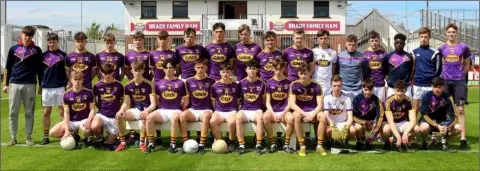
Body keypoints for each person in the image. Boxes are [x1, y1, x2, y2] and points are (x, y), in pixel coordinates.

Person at [3, 25, 43, 146]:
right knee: (13, 112)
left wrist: (40, 85)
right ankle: (13, 138)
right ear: (21, 34)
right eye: (25, 35)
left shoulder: (37, 50)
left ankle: (28, 137)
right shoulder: (13, 49)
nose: (26, 38)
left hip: (30, 84)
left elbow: (40, 70)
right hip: (14, 84)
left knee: (29, 112)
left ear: (32, 36)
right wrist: (5, 84)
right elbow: (7, 67)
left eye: (29, 36)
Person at [437, 23, 473, 149]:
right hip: (445, 81)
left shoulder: (463, 47)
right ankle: (444, 136)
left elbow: (467, 64)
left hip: (459, 81)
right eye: (449, 32)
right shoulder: (442, 48)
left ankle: (463, 138)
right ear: (445, 33)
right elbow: (442, 63)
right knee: (445, 109)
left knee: (460, 109)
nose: (451, 34)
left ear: (456, 33)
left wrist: (460, 77)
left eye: (453, 32)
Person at [146, 59, 189, 154]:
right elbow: (157, 100)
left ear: (174, 69)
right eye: (166, 68)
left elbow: (186, 100)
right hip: (163, 110)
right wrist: (161, 107)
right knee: (149, 118)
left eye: (170, 67)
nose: (168, 69)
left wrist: (181, 110)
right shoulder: (158, 83)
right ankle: (151, 144)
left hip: (176, 110)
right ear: (163, 69)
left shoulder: (181, 83)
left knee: (174, 118)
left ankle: (172, 145)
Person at [115, 61, 156, 152]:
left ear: (143, 71)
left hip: (146, 110)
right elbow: (125, 103)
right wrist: (121, 110)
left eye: (139, 70)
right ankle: (123, 143)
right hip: (135, 110)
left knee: (146, 117)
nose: (137, 72)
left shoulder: (149, 84)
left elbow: (153, 104)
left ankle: (142, 143)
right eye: (135, 70)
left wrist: (147, 111)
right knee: (119, 116)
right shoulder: (128, 85)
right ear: (131, 71)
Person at [49, 71, 94, 148]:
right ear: (71, 80)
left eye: (79, 79)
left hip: (84, 120)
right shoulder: (66, 95)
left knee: (86, 130)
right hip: (72, 121)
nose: (77, 81)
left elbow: (92, 110)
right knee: (52, 132)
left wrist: (89, 121)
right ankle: (74, 136)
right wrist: (66, 130)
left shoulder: (89, 93)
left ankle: (86, 138)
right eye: (75, 79)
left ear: (82, 80)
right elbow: (66, 113)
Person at [179, 58, 216, 154]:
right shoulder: (188, 81)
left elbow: (214, 100)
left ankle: (202, 145)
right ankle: (185, 142)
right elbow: (186, 99)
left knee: (205, 116)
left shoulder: (212, 82)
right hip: (193, 109)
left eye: (202, 67)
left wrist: (215, 111)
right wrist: (182, 109)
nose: (200, 70)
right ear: (194, 68)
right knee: (182, 116)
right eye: (198, 67)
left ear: (206, 68)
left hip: (207, 109)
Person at [417, 77, 461, 151]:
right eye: (435, 87)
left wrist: (447, 127)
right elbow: (424, 115)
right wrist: (437, 126)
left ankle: (443, 141)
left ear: (443, 87)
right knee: (423, 128)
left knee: (459, 128)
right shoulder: (426, 96)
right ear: (432, 86)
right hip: (428, 122)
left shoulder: (448, 98)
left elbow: (454, 117)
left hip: (442, 122)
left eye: (439, 87)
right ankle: (425, 142)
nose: (437, 89)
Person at [289, 63, 323, 156]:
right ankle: (302, 146)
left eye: (305, 73)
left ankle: (319, 145)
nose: (303, 76)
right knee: (296, 115)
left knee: (323, 116)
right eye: (301, 73)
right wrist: (304, 113)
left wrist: (312, 115)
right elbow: (292, 104)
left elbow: (320, 105)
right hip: (301, 111)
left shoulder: (317, 85)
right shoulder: (294, 84)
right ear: (298, 74)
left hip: (313, 111)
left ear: (309, 74)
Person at [40, 32, 68, 145]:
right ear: (48, 42)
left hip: (60, 87)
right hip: (46, 87)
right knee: (46, 112)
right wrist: (40, 85)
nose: (52, 44)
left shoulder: (64, 55)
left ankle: (65, 133)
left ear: (58, 42)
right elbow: (39, 72)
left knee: (62, 111)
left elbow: (67, 72)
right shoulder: (43, 55)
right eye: (50, 42)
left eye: (54, 42)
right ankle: (45, 136)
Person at [263, 58, 294, 153]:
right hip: (273, 111)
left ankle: (286, 144)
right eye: (276, 69)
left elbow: (290, 102)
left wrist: (282, 114)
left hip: (284, 110)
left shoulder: (289, 83)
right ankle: (272, 143)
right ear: (272, 68)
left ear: (283, 68)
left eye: (280, 69)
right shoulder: (269, 82)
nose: (278, 71)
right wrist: (274, 114)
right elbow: (267, 102)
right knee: (265, 117)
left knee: (291, 119)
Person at [235, 60, 267, 155]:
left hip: (257, 109)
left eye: (254, 69)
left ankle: (258, 144)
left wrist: (263, 110)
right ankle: (241, 145)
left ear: (257, 70)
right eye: (250, 69)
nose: (252, 71)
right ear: (246, 70)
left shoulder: (262, 83)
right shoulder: (241, 83)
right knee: (238, 118)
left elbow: (264, 100)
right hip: (245, 109)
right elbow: (238, 99)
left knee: (260, 118)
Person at [318, 75, 355, 155]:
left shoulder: (347, 99)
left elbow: (350, 116)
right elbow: (326, 115)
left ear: (342, 86)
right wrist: (332, 125)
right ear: (331, 86)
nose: (337, 88)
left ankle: (344, 142)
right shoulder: (326, 98)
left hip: (343, 122)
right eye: (334, 86)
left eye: (339, 85)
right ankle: (329, 143)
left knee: (352, 130)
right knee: (329, 131)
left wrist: (346, 127)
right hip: (331, 123)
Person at [91, 63, 124, 150]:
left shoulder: (119, 85)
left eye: (109, 73)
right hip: (102, 114)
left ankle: (111, 138)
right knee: (94, 126)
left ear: (113, 72)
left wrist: (118, 110)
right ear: (101, 73)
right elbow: (94, 101)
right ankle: (100, 137)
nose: (107, 75)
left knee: (109, 145)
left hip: (114, 116)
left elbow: (122, 100)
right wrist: (100, 108)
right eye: (105, 73)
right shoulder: (97, 86)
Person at [209, 63, 240, 153]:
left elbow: (238, 100)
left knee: (231, 122)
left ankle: (231, 142)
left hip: (231, 110)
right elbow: (214, 101)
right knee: (212, 121)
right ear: (220, 73)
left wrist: (235, 110)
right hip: (219, 111)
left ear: (231, 73)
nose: (225, 74)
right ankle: (221, 142)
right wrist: (216, 111)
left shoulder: (236, 85)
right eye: (223, 72)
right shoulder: (215, 86)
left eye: (228, 72)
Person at [412, 27, 442, 115]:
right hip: (417, 85)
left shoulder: (435, 52)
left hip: (430, 85)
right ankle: (414, 128)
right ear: (419, 37)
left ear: (429, 37)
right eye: (421, 37)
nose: (423, 39)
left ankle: (430, 127)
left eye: (425, 37)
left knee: (431, 108)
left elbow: (438, 70)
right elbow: (412, 68)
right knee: (415, 109)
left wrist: (433, 82)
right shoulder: (414, 52)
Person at [383, 80, 419, 152]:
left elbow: (413, 120)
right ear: (394, 90)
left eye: (402, 91)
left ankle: (405, 140)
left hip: (403, 122)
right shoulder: (388, 101)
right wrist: (398, 137)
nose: (400, 93)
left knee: (417, 129)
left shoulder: (409, 101)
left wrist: (405, 134)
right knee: (386, 130)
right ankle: (388, 141)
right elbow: (390, 122)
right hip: (391, 123)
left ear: (405, 91)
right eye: (398, 90)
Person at [352, 78, 384, 150]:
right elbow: (353, 116)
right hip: (360, 122)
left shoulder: (377, 100)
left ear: (373, 89)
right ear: (362, 89)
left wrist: (374, 132)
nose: (368, 92)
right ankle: (359, 141)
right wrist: (364, 122)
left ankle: (370, 141)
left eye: (370, 90)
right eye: (366, 89)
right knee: (358, 127)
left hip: (371, 122)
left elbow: (380, 116)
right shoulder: (356, 99)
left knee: (379, 125)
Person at [383, 33, 414, 99]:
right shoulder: (388, 56)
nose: (399, 45)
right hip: (392, 88)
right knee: (390, 108)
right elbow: (385, 71)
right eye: (397, 43)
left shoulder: (409, 56)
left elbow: (411, 70)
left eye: (401, 43)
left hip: (406, 88)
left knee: (408, 107)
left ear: (404, 44)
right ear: (394, 43)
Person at [336, 34, 365, 101]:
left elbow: (365, 73)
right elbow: (336, 71)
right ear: (346, 44)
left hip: (357, 89)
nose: (351, 46)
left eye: (354, 44)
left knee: (356, 110)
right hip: (343, 89)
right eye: (349, 44)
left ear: (357, 45)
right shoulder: (340, 56)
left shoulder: (362, 56)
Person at [362, 31, 388, 101]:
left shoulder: (384, 54)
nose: (374, 43)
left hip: (380, 84)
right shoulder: (364, 54)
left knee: (381, 105)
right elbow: (363, 71)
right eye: (372, 41)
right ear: (369, 41)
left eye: (376, 41)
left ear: (379, 41)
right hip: (368, 85)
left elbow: (386, 69)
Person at [312, 29, 337, 95]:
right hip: (316, 82)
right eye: (321, 38)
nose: (323, 40)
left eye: (325, 38)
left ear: (328, 38)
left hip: (328, 85)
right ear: (317, 39)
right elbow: (310, 68)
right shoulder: (313, 52)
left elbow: (334, 68)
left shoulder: (333, 52)